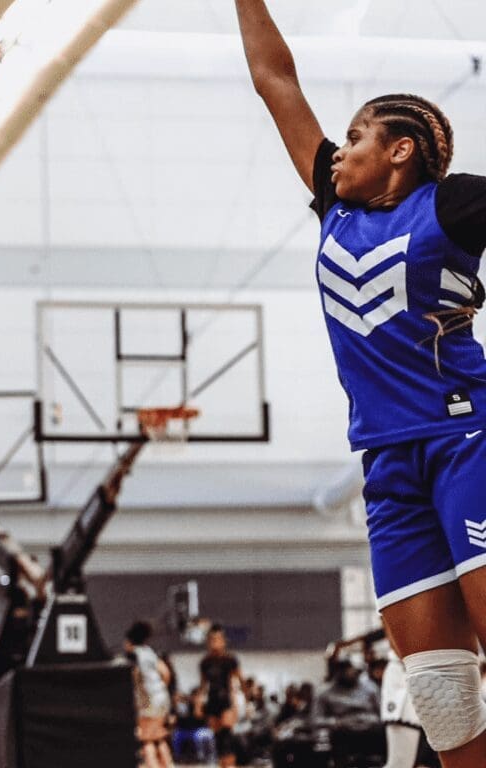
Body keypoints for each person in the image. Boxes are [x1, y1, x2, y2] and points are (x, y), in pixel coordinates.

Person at [234, 2, 486, 766]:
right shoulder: (334, 212)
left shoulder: (450, 205)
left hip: (465, 441)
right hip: (386, 466)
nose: (336, 154)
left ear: (400, 151)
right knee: (440, 696)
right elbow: (274, 80)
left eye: (354, 140)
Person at [124, 620, 172, 768]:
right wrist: (159, 689)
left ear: (130, 641)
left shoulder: (133, 656)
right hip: (161, 697)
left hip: (148, 701)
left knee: (147, 741)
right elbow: (166, 673)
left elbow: (133, 679)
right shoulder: (150, 652)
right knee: (159, 738)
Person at [199, 624, 242, 768]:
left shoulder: (230, 660)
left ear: (223, 641)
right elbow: (203, 686)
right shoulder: (205, 662)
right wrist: (198, 704)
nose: (215, 643)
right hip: (212, 702)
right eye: (212, 640)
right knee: (217, 739)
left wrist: (238, 705)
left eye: (218, 639)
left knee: (227, 737)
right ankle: (221, 765)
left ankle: (230, 765)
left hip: (227, 701)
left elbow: (237, 682)